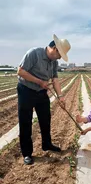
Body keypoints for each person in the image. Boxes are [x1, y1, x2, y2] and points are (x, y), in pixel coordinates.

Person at [17, 34, 71, 165]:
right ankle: (27, 153)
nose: (59, 58)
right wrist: (39, 81)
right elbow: (20, 71)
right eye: (59, 55)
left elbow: (55, 79)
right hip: (26, 91)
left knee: (45, 119)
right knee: (25, 122)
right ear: (54, 48)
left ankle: (47, 144)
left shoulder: (54, 62)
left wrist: (60, 96)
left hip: (41, 93)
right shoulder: (34, 53)